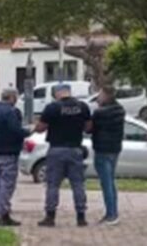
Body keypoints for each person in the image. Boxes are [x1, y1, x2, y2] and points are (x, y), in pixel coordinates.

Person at [35, 84, 92, 227]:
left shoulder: (52, 108)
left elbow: (40, 128)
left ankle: (50, 216)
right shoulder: (82, 106)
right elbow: (88, 127)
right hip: (75, 149)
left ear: (56, 94)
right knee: (78, 184)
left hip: (56, 149)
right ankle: (81, 217)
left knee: (53, 184)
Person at [0, 89, 31, 226]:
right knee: (7, 185)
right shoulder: (11, 112)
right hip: (10, 152)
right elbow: (15, 131)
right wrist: (28, 131)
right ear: (12, 97)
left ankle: (3, 214)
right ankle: (1, 214)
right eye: (15, 97)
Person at [90, 85, 126, 226]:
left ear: (106, 96)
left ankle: (111, 215)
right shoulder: (120, 110)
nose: (98, 98)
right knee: (110, 182)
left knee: (106, 183)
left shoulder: (100, 113)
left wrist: (97, 108)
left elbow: (91, 128)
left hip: (102, 149)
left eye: (100, 95)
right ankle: (113, 212)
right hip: (114, 149)